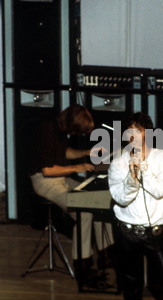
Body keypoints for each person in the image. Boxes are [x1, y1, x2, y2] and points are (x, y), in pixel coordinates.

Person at [27, 104, 114, 280]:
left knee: (98, 200)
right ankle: (82, 264)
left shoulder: (58, 127)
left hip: (60, 178)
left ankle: (107, 254)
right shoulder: (46, 129)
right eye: (77, 132)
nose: (76, 135)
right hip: (44, 182)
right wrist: (79, 167)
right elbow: (47, 170)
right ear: (72, 126)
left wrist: (86, 152)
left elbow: (63, 152)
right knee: (83, 210)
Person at [107, 112, 163, 300]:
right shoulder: (117, 163)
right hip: (127, 233)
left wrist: (143, 169)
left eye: (138, 131)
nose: (133, 135)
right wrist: (131, 180)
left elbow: (158, 191)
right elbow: (121, 199)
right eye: (129, 131)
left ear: (147, 133)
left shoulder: (162, 157)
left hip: (155, 234)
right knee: (131, 287)